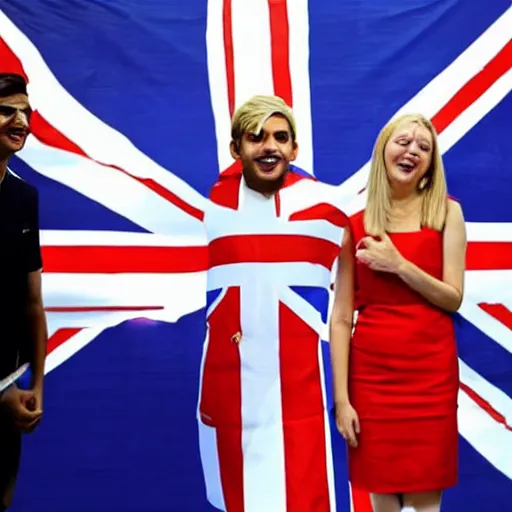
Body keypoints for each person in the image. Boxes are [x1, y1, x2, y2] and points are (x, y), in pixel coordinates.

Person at [198, 95, 349, 511]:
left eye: (281, 137)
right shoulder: (208, 210)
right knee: (238, 499)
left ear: (295, 149)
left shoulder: (332, 209)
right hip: (230, 391)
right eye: (255, 137)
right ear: (236, 150)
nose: (270, 146)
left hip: (303, 394)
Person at [329, 113, 466, 512]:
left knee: (427, 497)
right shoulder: (355, 225)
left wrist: (399, 264)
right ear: (383, 151)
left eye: (423, 147)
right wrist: (342, 400)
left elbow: (453, 297)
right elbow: (340, 318)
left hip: (430, 378)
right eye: (403, 142)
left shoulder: (446, 214)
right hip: (372, 380)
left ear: (430, 164)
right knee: (381, 496)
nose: (412, 151)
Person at [0, 73, 48, 511]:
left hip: (9, 399)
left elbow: (33, 302)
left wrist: (38, 384)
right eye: (7, 110)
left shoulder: (24, 196)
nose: (21, 121)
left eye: (26, 112)